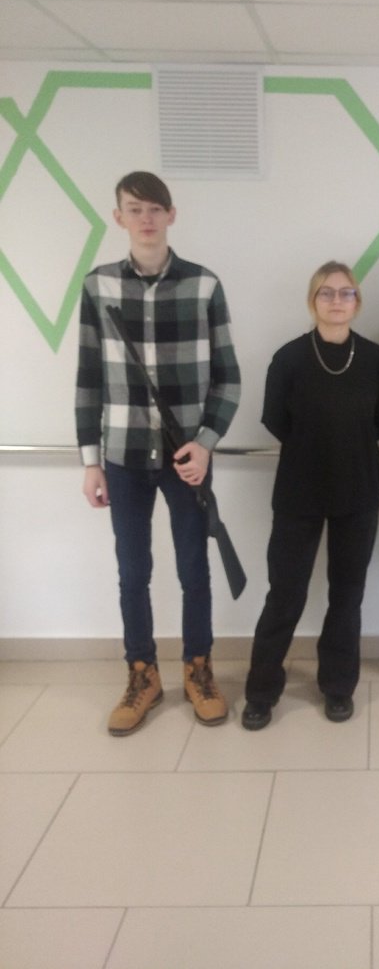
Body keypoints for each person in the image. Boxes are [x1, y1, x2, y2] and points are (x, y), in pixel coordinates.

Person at [76, 171, 241, 735]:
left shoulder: (204, 285)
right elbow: (88, 380)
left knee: (195, 568)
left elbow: (228, 378)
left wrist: (206, 443)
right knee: (132, 572)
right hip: (122, 456)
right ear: (118, 217)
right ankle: (142, 675)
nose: (145, 219)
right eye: (134, 209)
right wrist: (90, 461)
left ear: (172, 214)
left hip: (184, 458)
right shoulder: (98, 286)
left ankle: (199, 669)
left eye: (154, 208)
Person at [242, 262, 379, 729]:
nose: (336, 301)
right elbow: (275, 419)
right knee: (285, 595)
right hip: (299, 490)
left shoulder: (374, 359)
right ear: (313, 301)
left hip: (358, 489)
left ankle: (338, 686)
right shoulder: (289, 358)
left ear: (357, 301)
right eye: (326, 293)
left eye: (346, 293)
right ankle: (261, 691)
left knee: (347, 595)